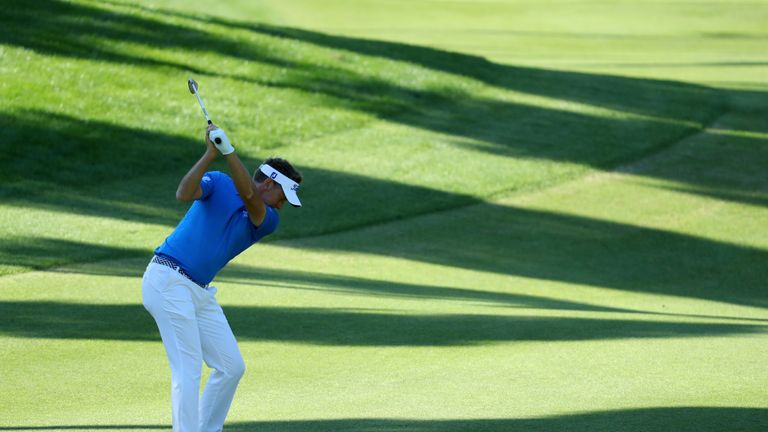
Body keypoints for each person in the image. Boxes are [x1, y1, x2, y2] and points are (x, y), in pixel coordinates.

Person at [142, 123, 302, 432]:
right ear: (270, 183)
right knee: (188, 368)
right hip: (166, 279)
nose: (283, 205)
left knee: (231, 367)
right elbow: (183, 193)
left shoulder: (268, 218)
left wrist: (228, 151)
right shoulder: (218, 181)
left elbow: (250, 197)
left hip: (199, 291)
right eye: (283, 196)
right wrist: (210, 154)